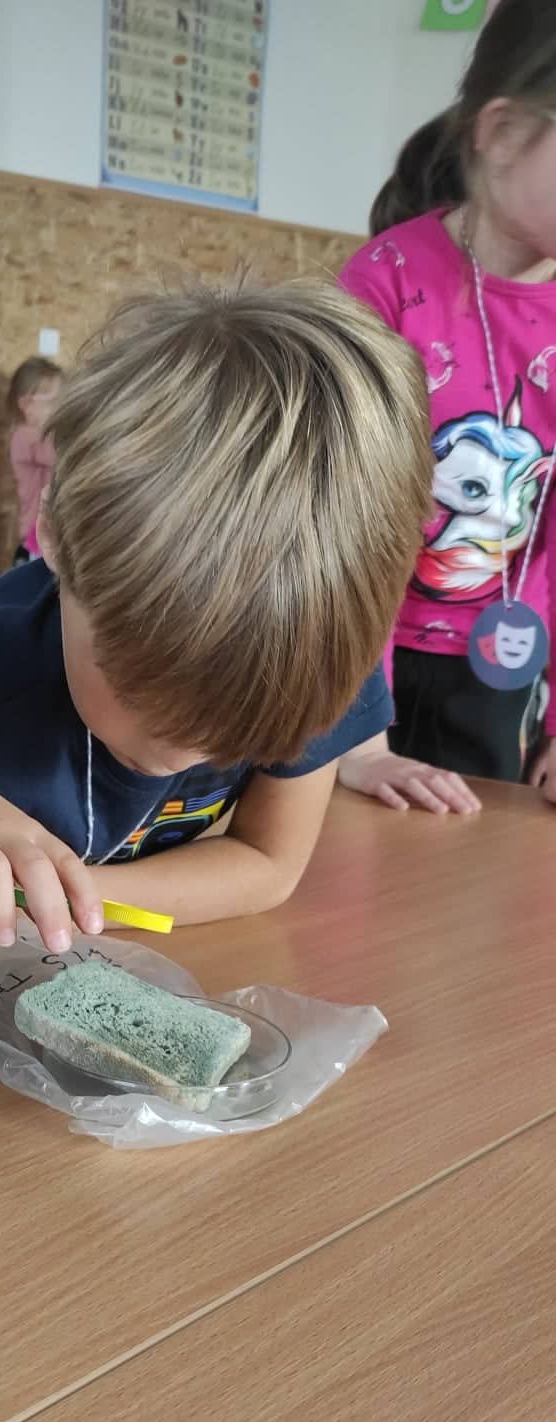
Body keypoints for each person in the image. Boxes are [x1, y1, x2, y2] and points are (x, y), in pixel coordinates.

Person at [0, 281, 432, 954]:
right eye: (141, 698)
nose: (177, 756)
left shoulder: (315, 647)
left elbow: (268, 862)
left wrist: (68, 898)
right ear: (53, 531)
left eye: (235, 737)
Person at [337, 0, 556, 814]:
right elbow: (337, 526)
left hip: (501, 661)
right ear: (501, 132)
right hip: (359, 659)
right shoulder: (384, 285)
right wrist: (354, 735)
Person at [7, 357, 62, 563]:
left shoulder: (35, 436)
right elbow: (59, 454)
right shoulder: (26, 436)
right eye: (53, 402)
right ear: (26, 405)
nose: (59, 408)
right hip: (36, 536)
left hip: (44, 533)